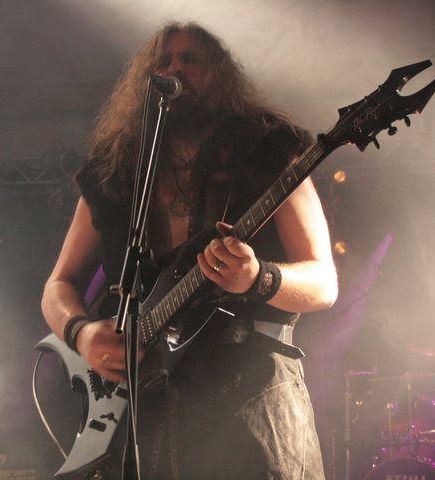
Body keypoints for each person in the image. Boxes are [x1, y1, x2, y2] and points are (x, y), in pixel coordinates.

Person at [41, 21, 338, 479]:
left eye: (190, 59)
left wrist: (258, 278)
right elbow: (59, 284)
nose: (173, 69)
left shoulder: (270, 149)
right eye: (162, 61)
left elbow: (323, 283)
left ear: (219, 73)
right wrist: (80, 333)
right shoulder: (115, 168)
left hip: (249, 402)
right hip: (142, 414)